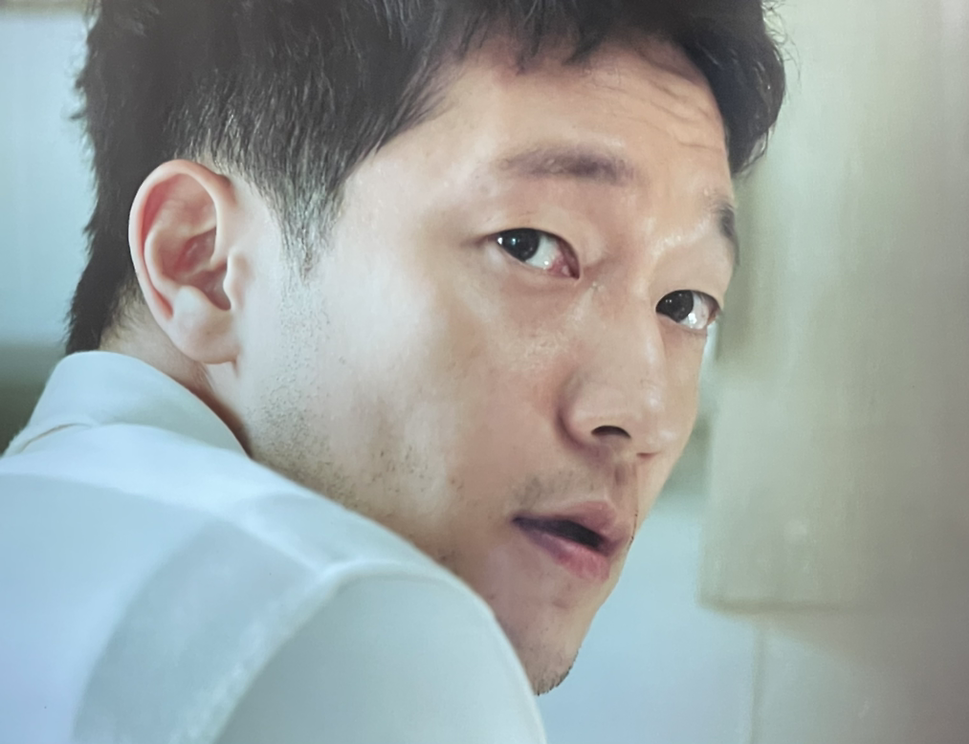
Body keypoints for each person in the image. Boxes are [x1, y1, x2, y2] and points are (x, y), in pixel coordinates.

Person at [0, 0, 785, 741]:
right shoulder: (344, 623)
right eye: (531, 246)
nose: (645, 415)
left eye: (686, 304)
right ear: (202, 262)